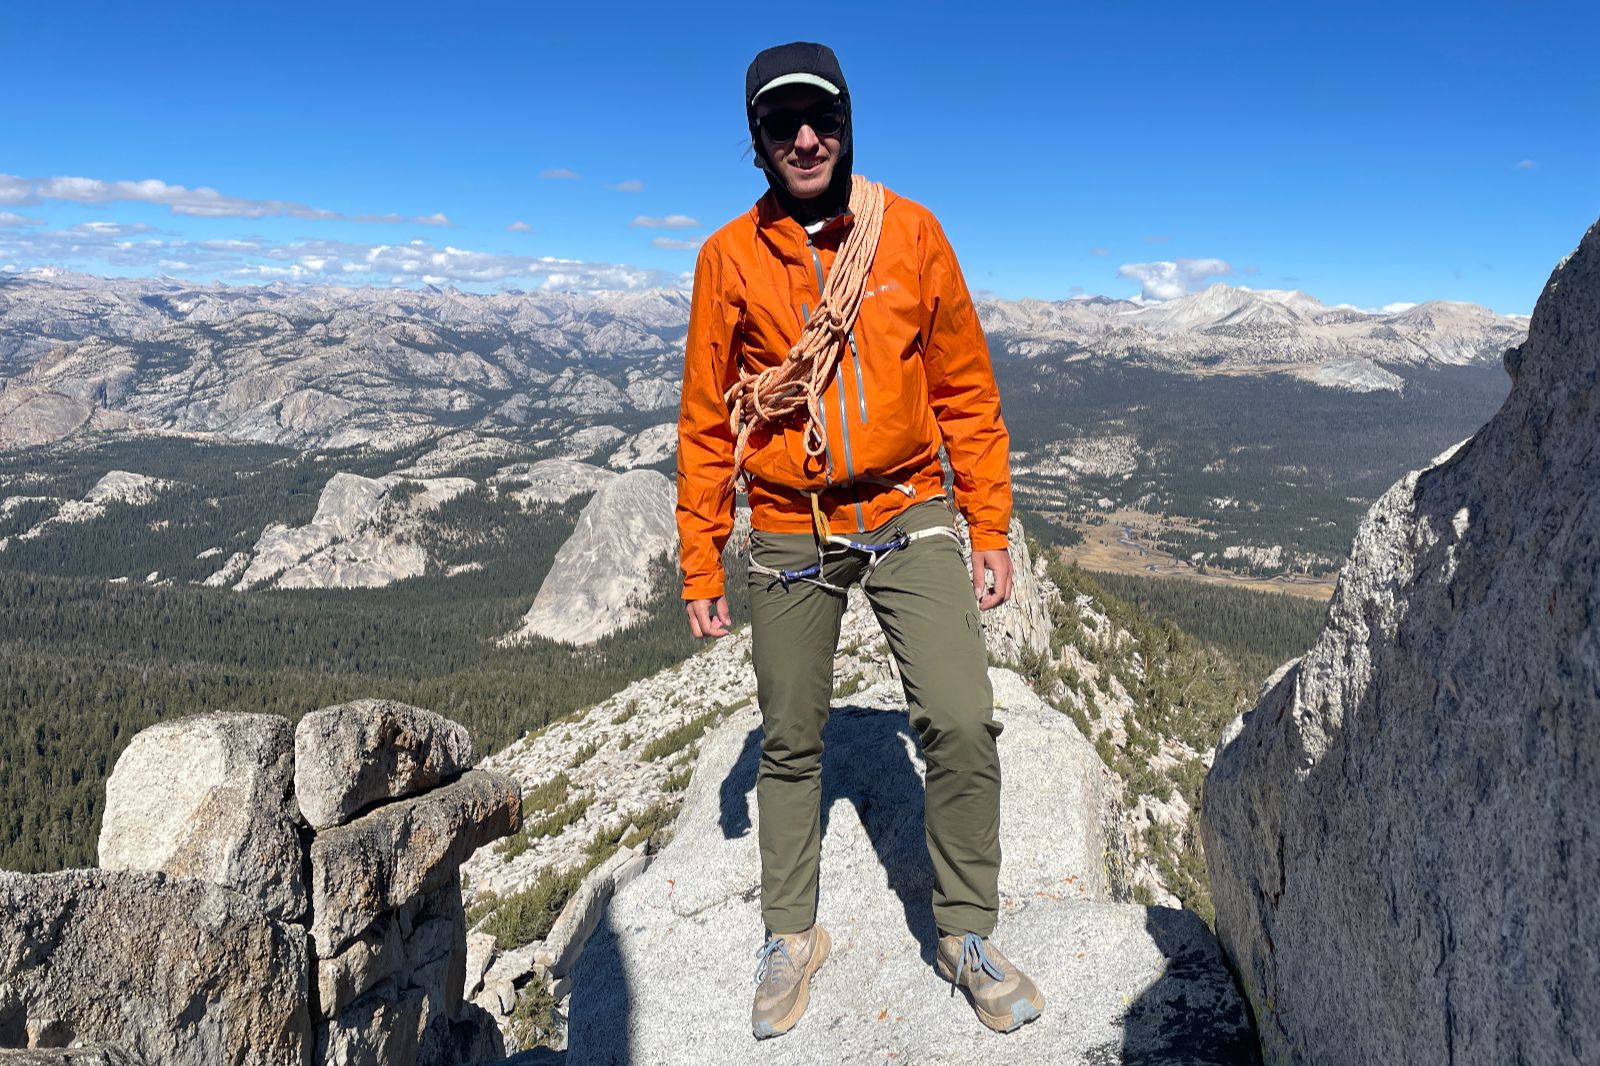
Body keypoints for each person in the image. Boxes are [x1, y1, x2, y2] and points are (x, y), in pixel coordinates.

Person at [675, 41, 1044, 1039]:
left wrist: (988, 523)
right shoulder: (727, 258)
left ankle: (963, 928)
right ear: (755, 139)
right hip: (791, 524)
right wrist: (701, 554)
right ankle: (790, 934)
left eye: (821, 118)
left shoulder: (911, 234)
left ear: (847, 125)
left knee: (961, 719)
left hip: (908, 506)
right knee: (791, 737)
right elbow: (709, 418)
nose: (805, 137)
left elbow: (966, 390)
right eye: (782, 122)